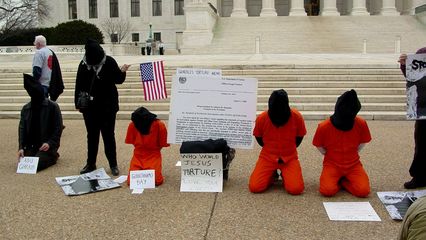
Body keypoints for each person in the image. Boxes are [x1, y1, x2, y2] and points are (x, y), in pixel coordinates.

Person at [74, 39, 130, 176]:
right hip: (89, 107)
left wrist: (122, 71)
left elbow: (118, 80)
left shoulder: (109, 62)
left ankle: (113, 164)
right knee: (92, 136)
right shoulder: (83, 65)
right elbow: (79, 84)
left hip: (107, 106)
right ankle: (91, 163)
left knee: (108, 136)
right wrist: (78, 103)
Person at [312, 89, 371, 197]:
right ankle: (341, 181)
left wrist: (351, 152)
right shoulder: (324, 126)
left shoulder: (361, 124)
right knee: (327, 190)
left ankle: (343, 182)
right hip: (332, 164)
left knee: (363, 191)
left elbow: (363, 141)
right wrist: (329, 155)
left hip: (353, 165)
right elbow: (318, 145)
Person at [249, 89, 306, 195]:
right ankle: (272, 174)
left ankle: (285, 175)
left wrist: (289, 149)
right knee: (255, 187)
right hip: (268, 157)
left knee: (296, 189)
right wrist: (270, 149)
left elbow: (299, 136)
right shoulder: (262, 118)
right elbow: (258, 137)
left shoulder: (297, 117)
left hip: (289, 158)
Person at [18, 75, 63, 171]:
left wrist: (50, 143)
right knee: (24, 163)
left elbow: (58, 128)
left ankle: (53, 155)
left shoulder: (53, 106)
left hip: (46, 144)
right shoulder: (26, 109)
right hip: (32, 144)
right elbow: (22, 129)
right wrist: (21, 147)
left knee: (37, 164)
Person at [399, 47, 426, 189]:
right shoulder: (422, 52)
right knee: (421, 143)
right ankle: (419, 176)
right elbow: (413, 77)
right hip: (423, 108)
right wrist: (405, 64)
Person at [125, 107, 170, 186]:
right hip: (138, 154)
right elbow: (163, 143)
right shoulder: (133, 124)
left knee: (156, 180)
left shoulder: (159, 125)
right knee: (131, 181)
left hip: (153, 154)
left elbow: (163, 143)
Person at [32, 35, 64, 101]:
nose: (34, 45)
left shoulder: (39, 53)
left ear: (38, 43)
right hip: (50, 83)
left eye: (35, 43)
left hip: (42, 84)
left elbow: (36, 69)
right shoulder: (50, 52)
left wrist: (34, 83)